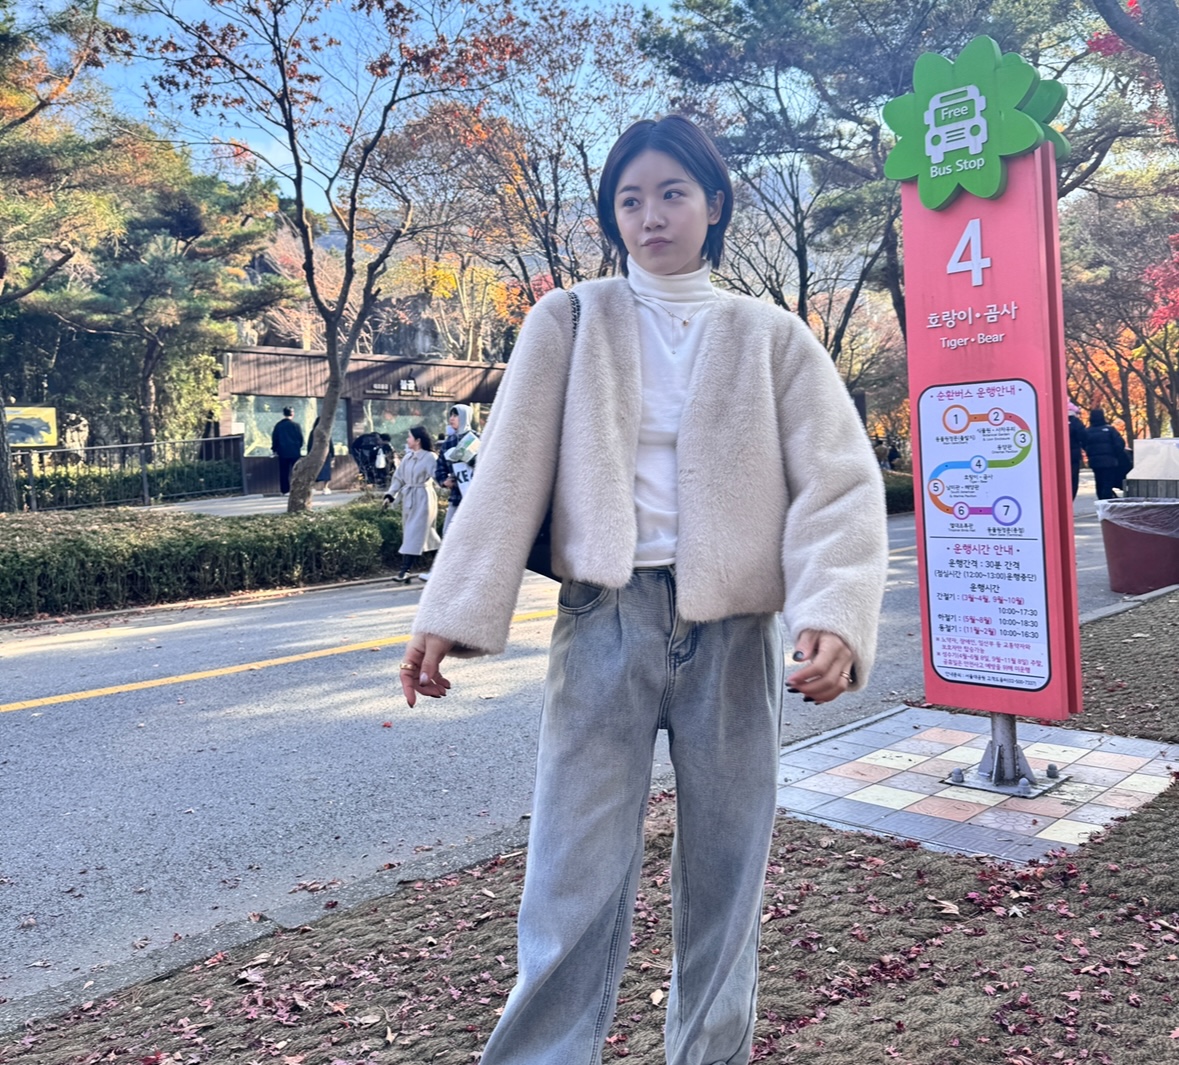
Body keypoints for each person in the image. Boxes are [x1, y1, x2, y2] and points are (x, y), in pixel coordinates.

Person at [398, 115, 889, 1065]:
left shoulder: (771, 336)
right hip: (603, 621)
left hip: (735, 632)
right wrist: (448, 613)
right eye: (629, 200)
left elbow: (836, 483)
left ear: (714, 204)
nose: (650, 215)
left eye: (671, 193)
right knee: (570, 874)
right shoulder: (570, 320)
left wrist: (832, 613)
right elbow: (507, 471)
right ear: (611, 215)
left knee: (727, 875)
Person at [383, 425, 441, 581]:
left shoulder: (430, 457)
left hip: (424, 499)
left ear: (418, 440)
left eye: (409, 437)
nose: (407, 439)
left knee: (413, 533)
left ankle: (404, 571)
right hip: (409, 499)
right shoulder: (407, 458)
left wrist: (447, 483)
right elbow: (398, 478)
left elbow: (438, 476)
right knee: (427, 535)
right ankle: (443, 566)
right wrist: (390, 495)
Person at [435, 404, 480, 533]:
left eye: (456, 415)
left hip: (477, 496)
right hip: (456, 496)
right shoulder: (448, 442)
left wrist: (471, 460)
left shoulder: (478, 438)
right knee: (448, 533)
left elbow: (487, 464)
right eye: (451, 415)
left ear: (465, 417)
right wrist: (444, 481)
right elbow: (440, 467)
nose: (452, 418)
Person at [1085, 407, 1127, 500]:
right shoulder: (1110, 430)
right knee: (1108, 481)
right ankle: (1106, 499)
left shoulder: (1088, 431)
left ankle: (1101, 499)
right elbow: (1120, 443)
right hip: (1109, 460)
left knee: (1099, 481)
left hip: (1095, 461)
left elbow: (1084, 444)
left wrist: (1090, 453)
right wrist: (1117, 455)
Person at [270, 406, 303, 495]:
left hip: (283, 452)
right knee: (296, 471)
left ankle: (285, 490)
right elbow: (300, 439)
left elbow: (275, 438)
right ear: (292, 414)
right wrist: (298, 447)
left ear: (283, 414)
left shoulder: (279, 425)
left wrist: (274, 449)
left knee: (284, 472)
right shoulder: (296, 425)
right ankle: (297, 489)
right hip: (295, 452)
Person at [1067, 402, 1086, 500]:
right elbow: (1083, 436)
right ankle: (1070, 500)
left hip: (1057, 457)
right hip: (1073, 455)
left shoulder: (1054, 419)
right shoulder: (1075, 422)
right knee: (1073, 480)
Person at [309, 417, 332, 494]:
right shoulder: (326, 432)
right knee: (326, 472)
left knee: (314, 472)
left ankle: (313, 487)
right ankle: (325, 488)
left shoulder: (313, 432)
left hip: (315, 454)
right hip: (326, 453)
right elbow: (330, 444)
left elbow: (310, 444)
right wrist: (332, 454)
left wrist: (309, 454)